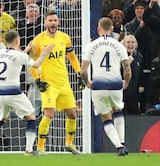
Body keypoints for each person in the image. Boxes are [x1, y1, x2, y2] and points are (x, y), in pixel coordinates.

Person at [0, 30, 54, 156]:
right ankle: (29, 150)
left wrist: (27, 50)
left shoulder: (1, 52)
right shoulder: (20, 56)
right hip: (14, 92)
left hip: (0, 92)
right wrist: (45, 53)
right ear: (17, 40)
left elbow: (16, 59)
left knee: (2, 118)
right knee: (31, 117)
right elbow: (36, 64)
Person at [29, 10, 85, 155]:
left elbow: (72, 57)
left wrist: (79, 73)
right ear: (45, 22)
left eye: (55, 20)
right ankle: (40, 148)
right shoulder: (38, 40)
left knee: (73, 113)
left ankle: (69, 144)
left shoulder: (65, 38)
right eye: (50, 20)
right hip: (48, 83)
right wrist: (37, 80)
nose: (53, 23)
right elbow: (32, 63)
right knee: (49, 113)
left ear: (58, 22)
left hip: (64, 82)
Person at [80, 17, 131, 156]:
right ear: (112, 29)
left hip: (98, 85)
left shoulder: (91, 45)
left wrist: (87, 83)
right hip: (115, 84)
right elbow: (127, 69)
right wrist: (126, 82)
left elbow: (83, 70)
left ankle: (118, 147)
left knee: (106, 117)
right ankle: (122, 143)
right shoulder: (119, 45)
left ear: (98, 29)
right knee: (118, 111)